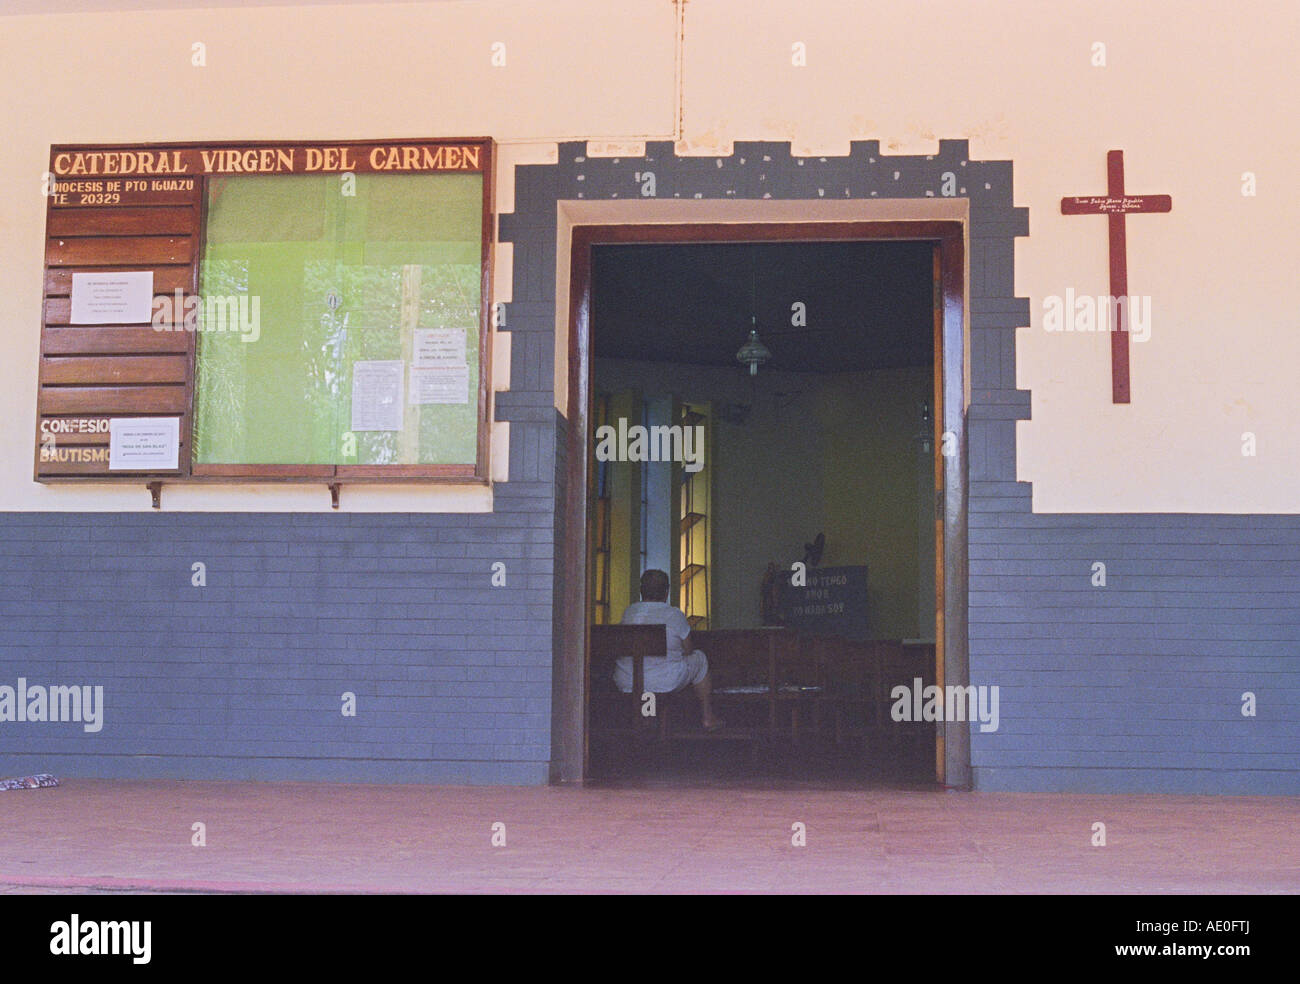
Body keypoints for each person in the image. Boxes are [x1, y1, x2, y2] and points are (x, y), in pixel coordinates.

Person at [613, 569, 721, 731]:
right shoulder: (674, 615)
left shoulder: (630, 612)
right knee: (699, 658)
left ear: (641, 591)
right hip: (663, 681)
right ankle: (707, 717)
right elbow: (688, 649)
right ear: (666, 592)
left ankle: (646, 720)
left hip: (628, 680)